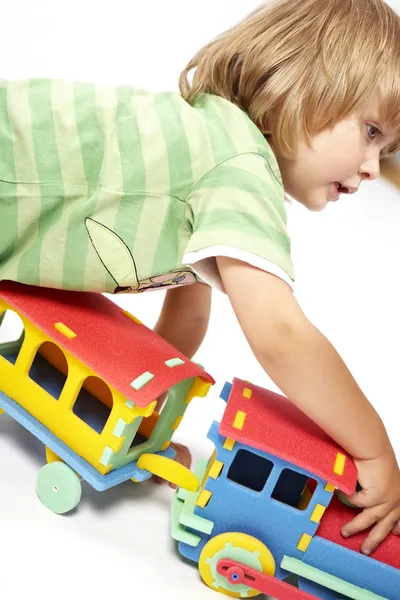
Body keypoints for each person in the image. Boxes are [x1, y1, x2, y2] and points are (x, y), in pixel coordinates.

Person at [0, 0, 399, 555]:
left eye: (388, 149)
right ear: (303, 86)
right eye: (371, 131)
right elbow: (281, 335)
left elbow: (187, 311)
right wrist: (376, 449)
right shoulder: (238, 169)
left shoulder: (206, 149)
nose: (373, 168)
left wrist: (130, 417)